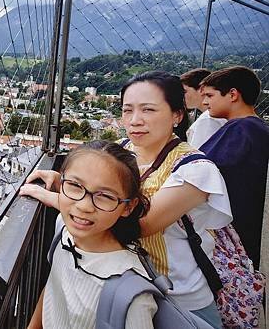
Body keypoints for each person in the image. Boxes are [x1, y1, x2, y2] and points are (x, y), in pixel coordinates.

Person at [24, 71, 232, 329]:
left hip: (177, 298)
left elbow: (137, 225)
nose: (135, 120)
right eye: (127, 110)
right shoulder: (125, 149)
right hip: (122, 281)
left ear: (177, 115)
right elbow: (102, 189)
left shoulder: (195, 169)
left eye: (148, 110)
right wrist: (64, 182)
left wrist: (57, 198)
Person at [22, 140, 156, 329]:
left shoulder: (131, 295)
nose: (84, 206)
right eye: (75, 185)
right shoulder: (65, 231)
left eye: (105, 196)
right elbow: (54, 288)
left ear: (128, 207)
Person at [200, 66, 269, 269]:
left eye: (210, 95)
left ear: (232, 94)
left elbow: (202, 168)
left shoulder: (241, 129)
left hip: (233, 232)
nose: (205, 102)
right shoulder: (257, 128)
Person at [180, 68, 226, 148]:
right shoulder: (219, 115)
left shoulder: (207, 120)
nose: (182, 96)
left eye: (185, 92)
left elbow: (199, 155)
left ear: (202, 89)